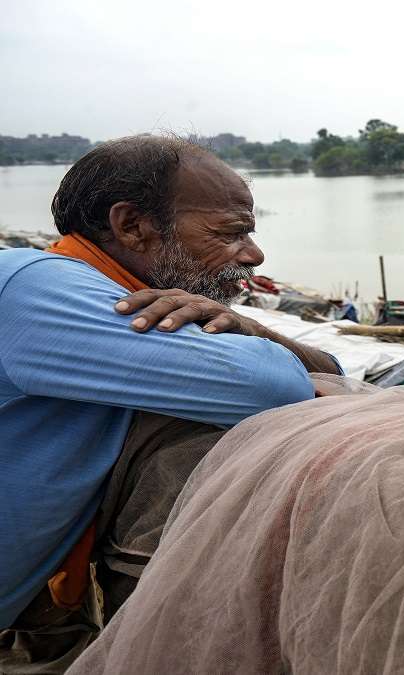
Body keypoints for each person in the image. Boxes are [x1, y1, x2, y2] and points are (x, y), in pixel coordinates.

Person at [0, 135, 341, 671]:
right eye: (230, 233)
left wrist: (254, 328)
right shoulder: (33, 289)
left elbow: (329, 372)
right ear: (132, 224)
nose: (253, 256)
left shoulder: (122, 299)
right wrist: (257, 344)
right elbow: (273, 389)